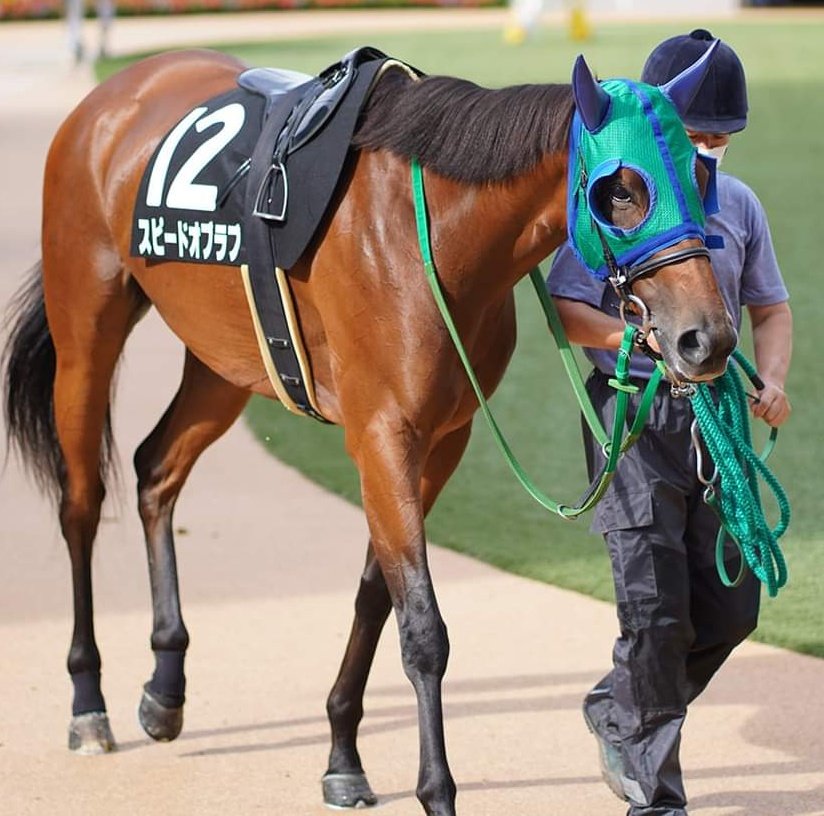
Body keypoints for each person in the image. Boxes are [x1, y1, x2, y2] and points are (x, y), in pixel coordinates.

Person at [547, 29, 793, 816]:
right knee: (653, 610)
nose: (712, 147)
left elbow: (771, 306)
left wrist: (773, 378)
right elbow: (566, 309)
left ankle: (623, 707)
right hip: (633, 418)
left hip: (718, 422)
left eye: (724, 135)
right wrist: (635, 336)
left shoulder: (740, 205)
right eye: (698, 133)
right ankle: (656, 795)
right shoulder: (617, 199)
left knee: (732, 609)